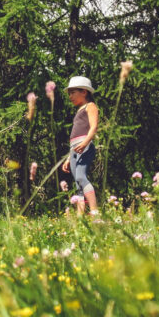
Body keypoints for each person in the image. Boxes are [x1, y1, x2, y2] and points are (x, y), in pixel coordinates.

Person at [61, 76, 99, 215]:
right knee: (78, 184)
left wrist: (85, 143)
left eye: (73, 92)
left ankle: (95, 212)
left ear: (84, 92)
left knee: (81, 177)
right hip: (74, 150)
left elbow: (93, 127)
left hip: (85, 146)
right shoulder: (78, 111)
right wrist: (68, 158)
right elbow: (73, 141)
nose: (70, 96)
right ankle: (80, 217)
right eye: (69, 93)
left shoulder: (91, 106)